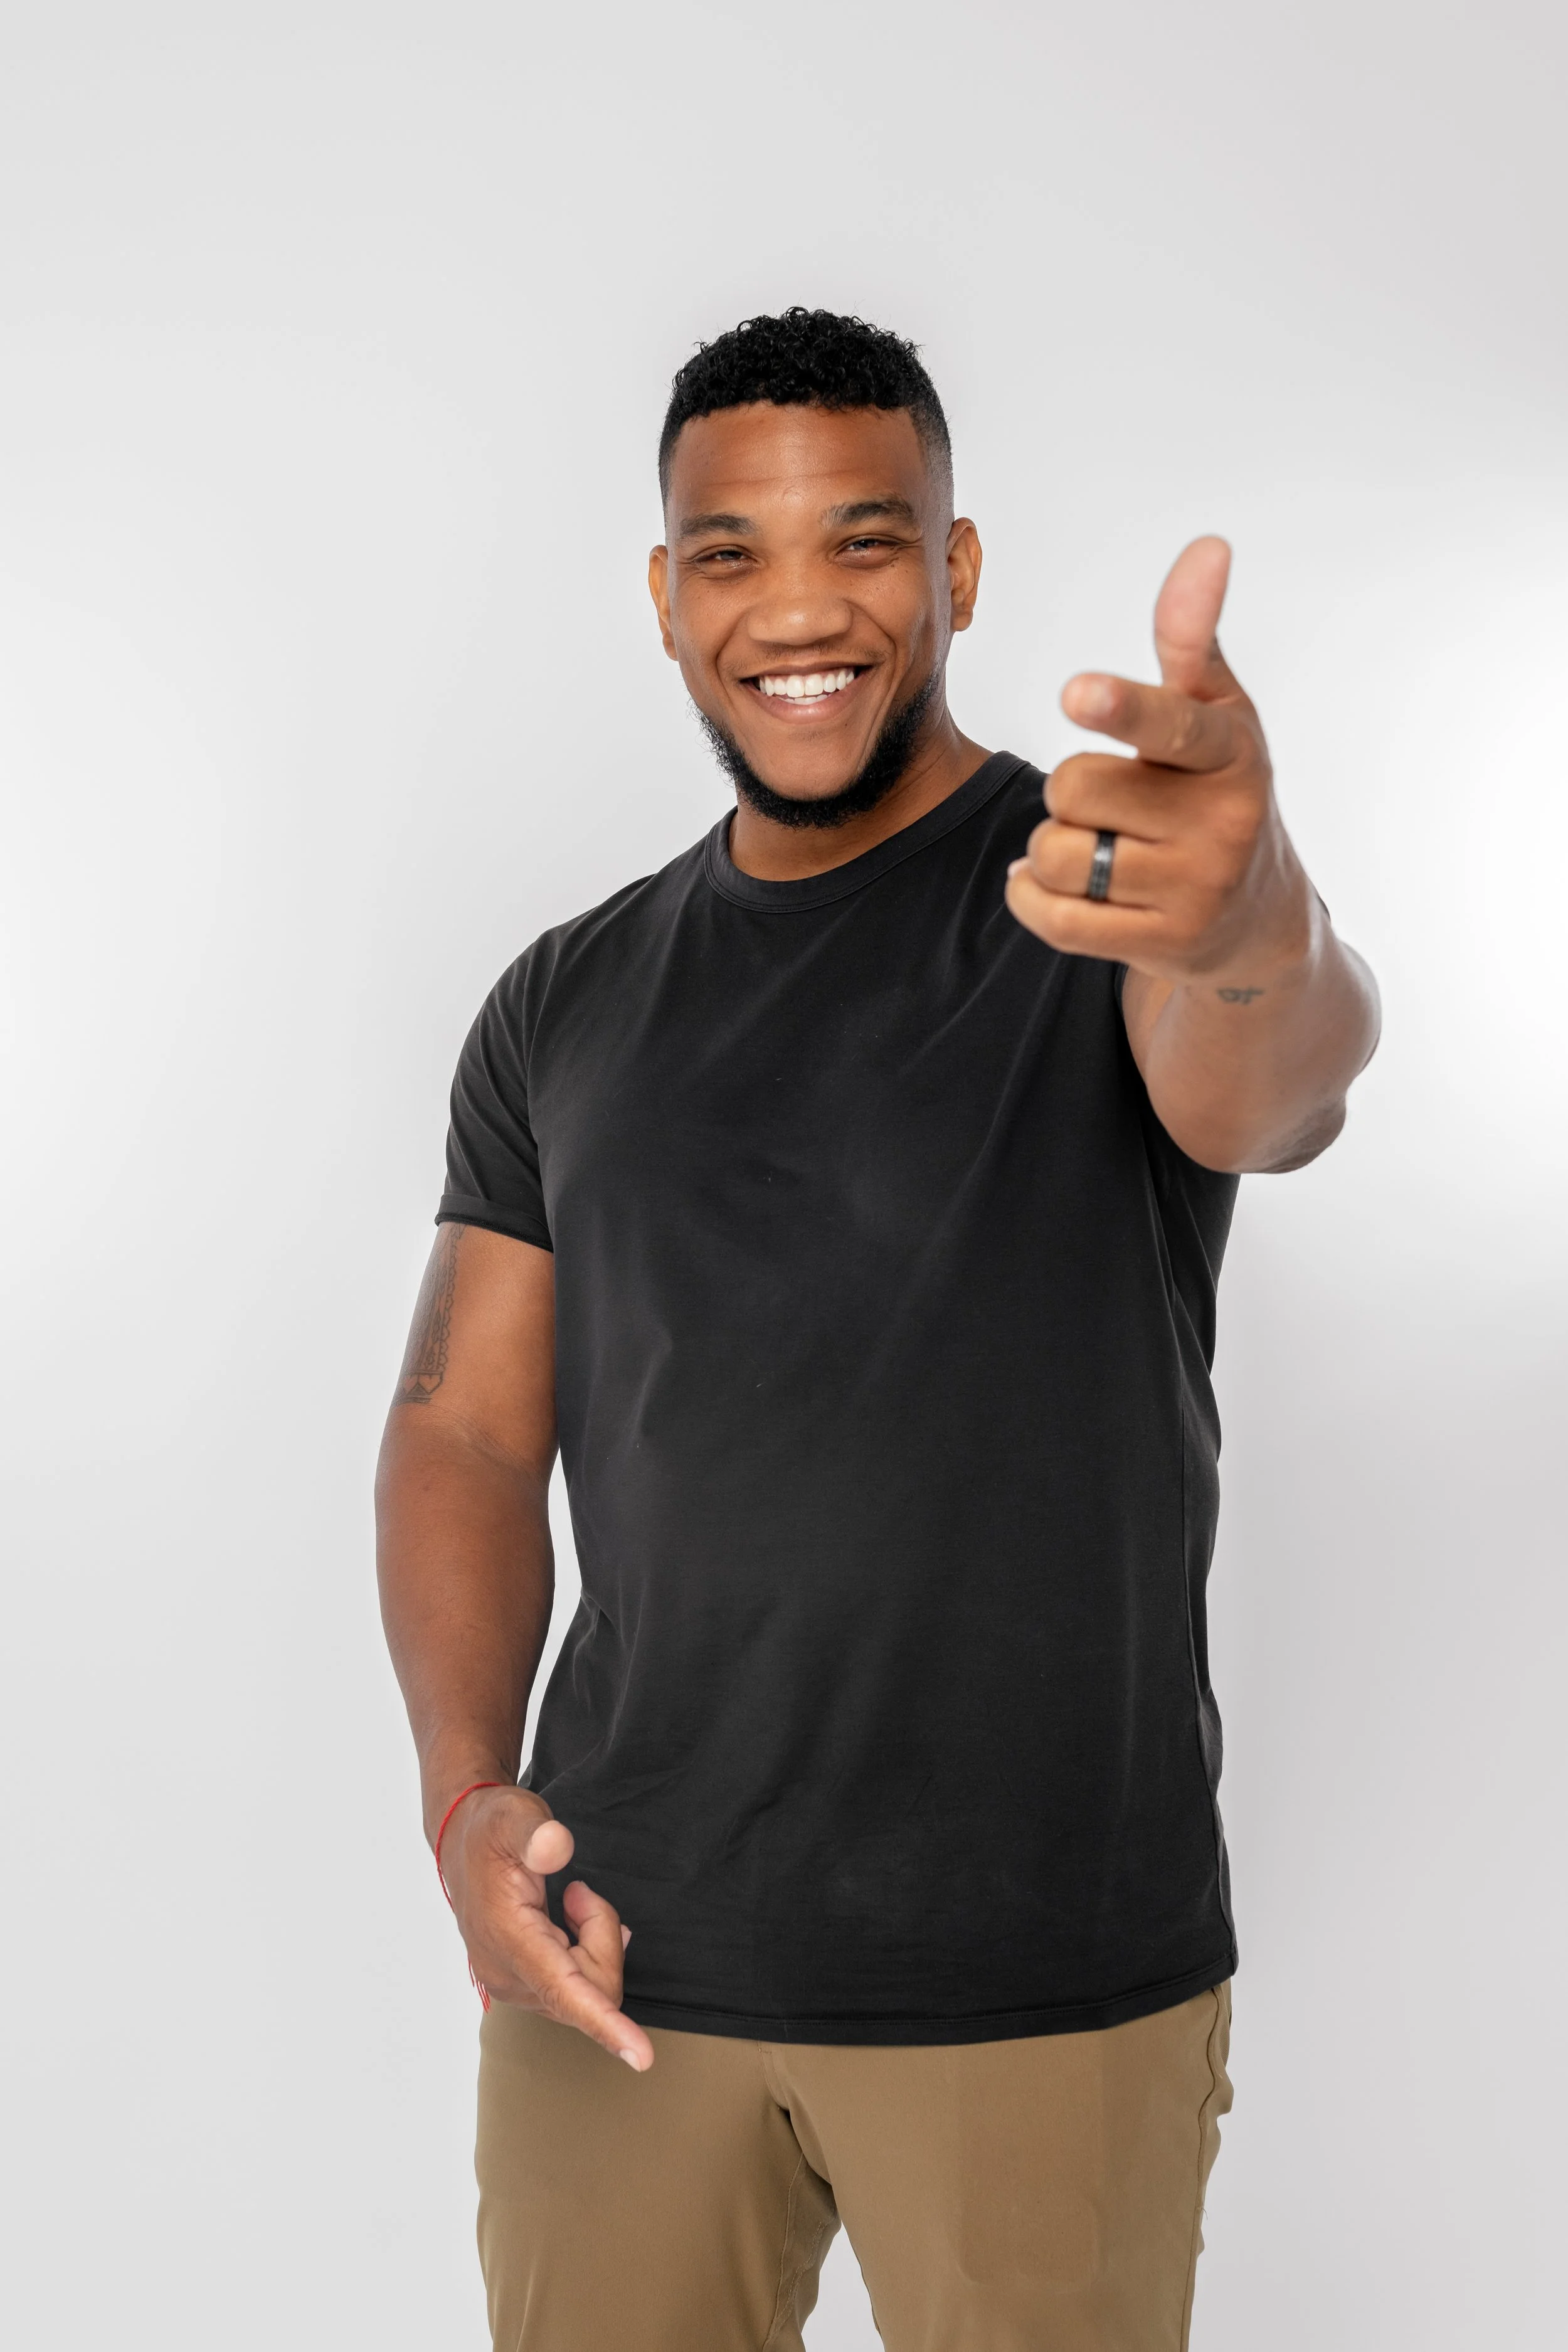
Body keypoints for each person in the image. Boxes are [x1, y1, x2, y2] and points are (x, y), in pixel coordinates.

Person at [376, 305, 1379, 2351]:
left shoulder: (1096, 897)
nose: (796, 610)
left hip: (1035, 1980)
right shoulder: (564, 998)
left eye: (862, 539)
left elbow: (1277, 1085)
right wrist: (466, 1796)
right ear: (666, 598)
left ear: (955, 568)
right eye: (728, 554)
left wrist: (1253, 919)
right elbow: (464, 1427)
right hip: (616, 1955)